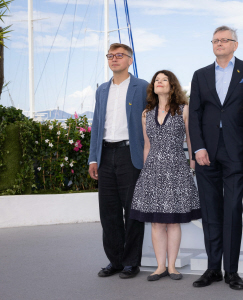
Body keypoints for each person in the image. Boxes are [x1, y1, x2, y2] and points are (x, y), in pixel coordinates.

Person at [189, 25, 243, 290]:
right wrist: (198, 149)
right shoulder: (200, 75)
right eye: (215, 40)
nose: (219, 43)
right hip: (207, 152)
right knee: (210, 212)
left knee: (232, 211)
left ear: (235, 44)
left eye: (224, 40)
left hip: (236, 151)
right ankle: (212, 269)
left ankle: (231, 271)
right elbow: (194, 115)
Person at [130, 70, 201, 281]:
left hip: (177, 169)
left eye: (164, 79)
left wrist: (193, 165)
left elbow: (190, 139)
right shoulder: (146, 114)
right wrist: (145, 171)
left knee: (173, 222)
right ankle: (160, 266)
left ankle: (172, 267)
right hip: (152, 171)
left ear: (172, 85)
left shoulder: (183, 110)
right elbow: (147, 145)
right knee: (156, 223)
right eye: (156, 80)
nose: (159, 82)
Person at [88, 43, 147, 279]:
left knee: (132, 210)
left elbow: (149, 121)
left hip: (129, 154)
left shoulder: (142, 87)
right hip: (105, 154)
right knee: (108, 211)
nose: (114, 59)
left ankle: (132, 262)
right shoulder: (102, 90)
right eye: (110, 56)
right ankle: (115, 261)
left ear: (130, 60)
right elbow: (96, 126)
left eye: (119, 56)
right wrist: (93, 158)